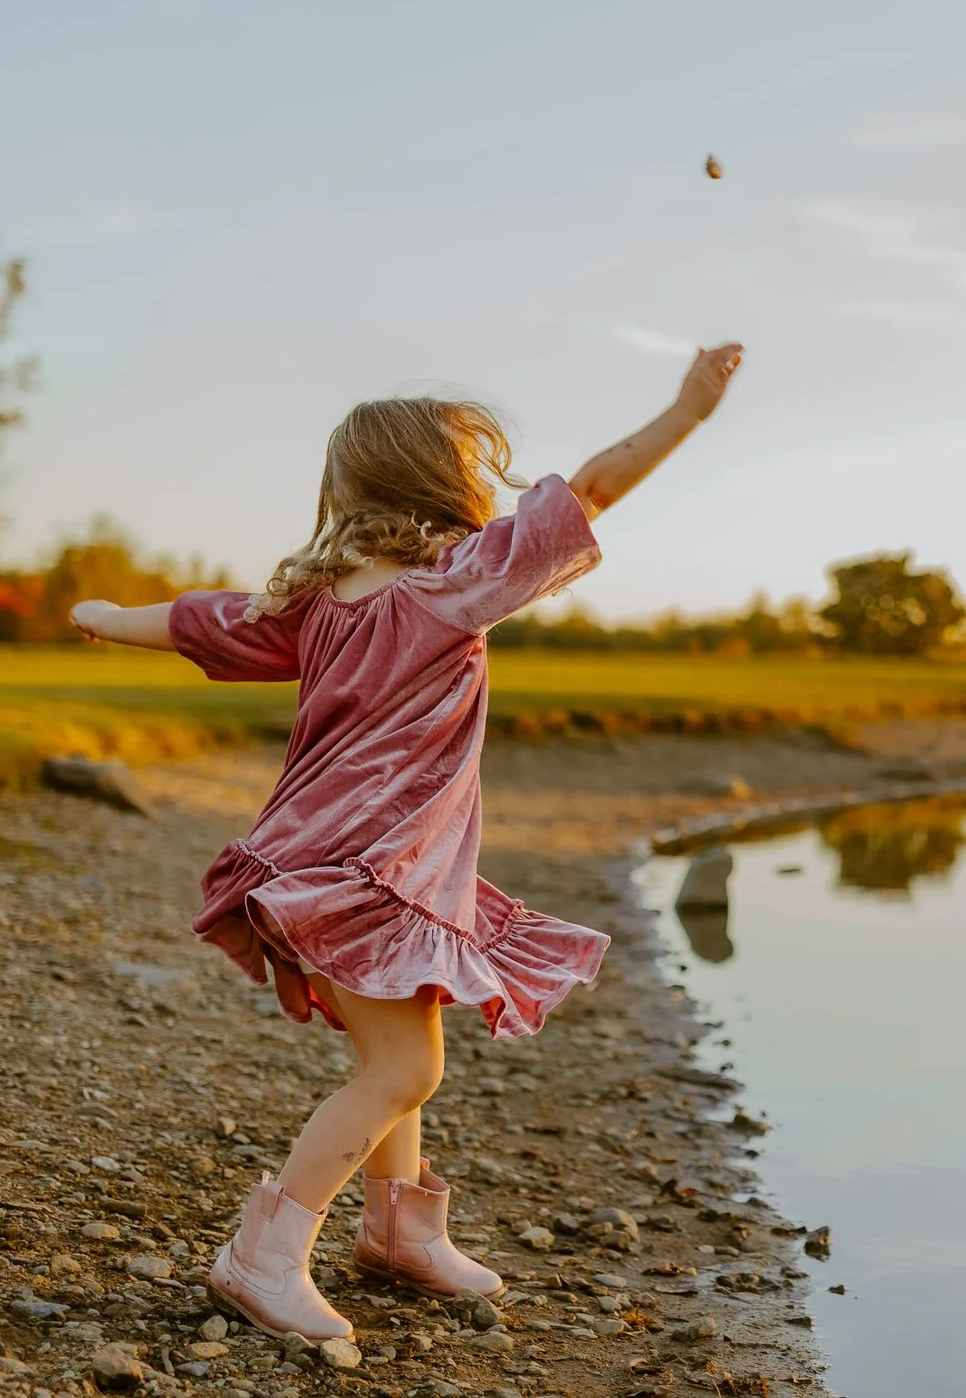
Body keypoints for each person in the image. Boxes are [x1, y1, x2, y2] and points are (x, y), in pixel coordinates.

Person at [69, 344, 743, 1341]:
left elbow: (195, 621)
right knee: (403, 1070)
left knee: (409, 1022)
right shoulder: (453, 584)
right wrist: (685, 412)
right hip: (366, 876)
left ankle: (399, 1232)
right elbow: (590, 489)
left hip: (312, 865)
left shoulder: (317, 600)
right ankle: (264, 1253)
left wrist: (102, 616)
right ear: (442, 484)